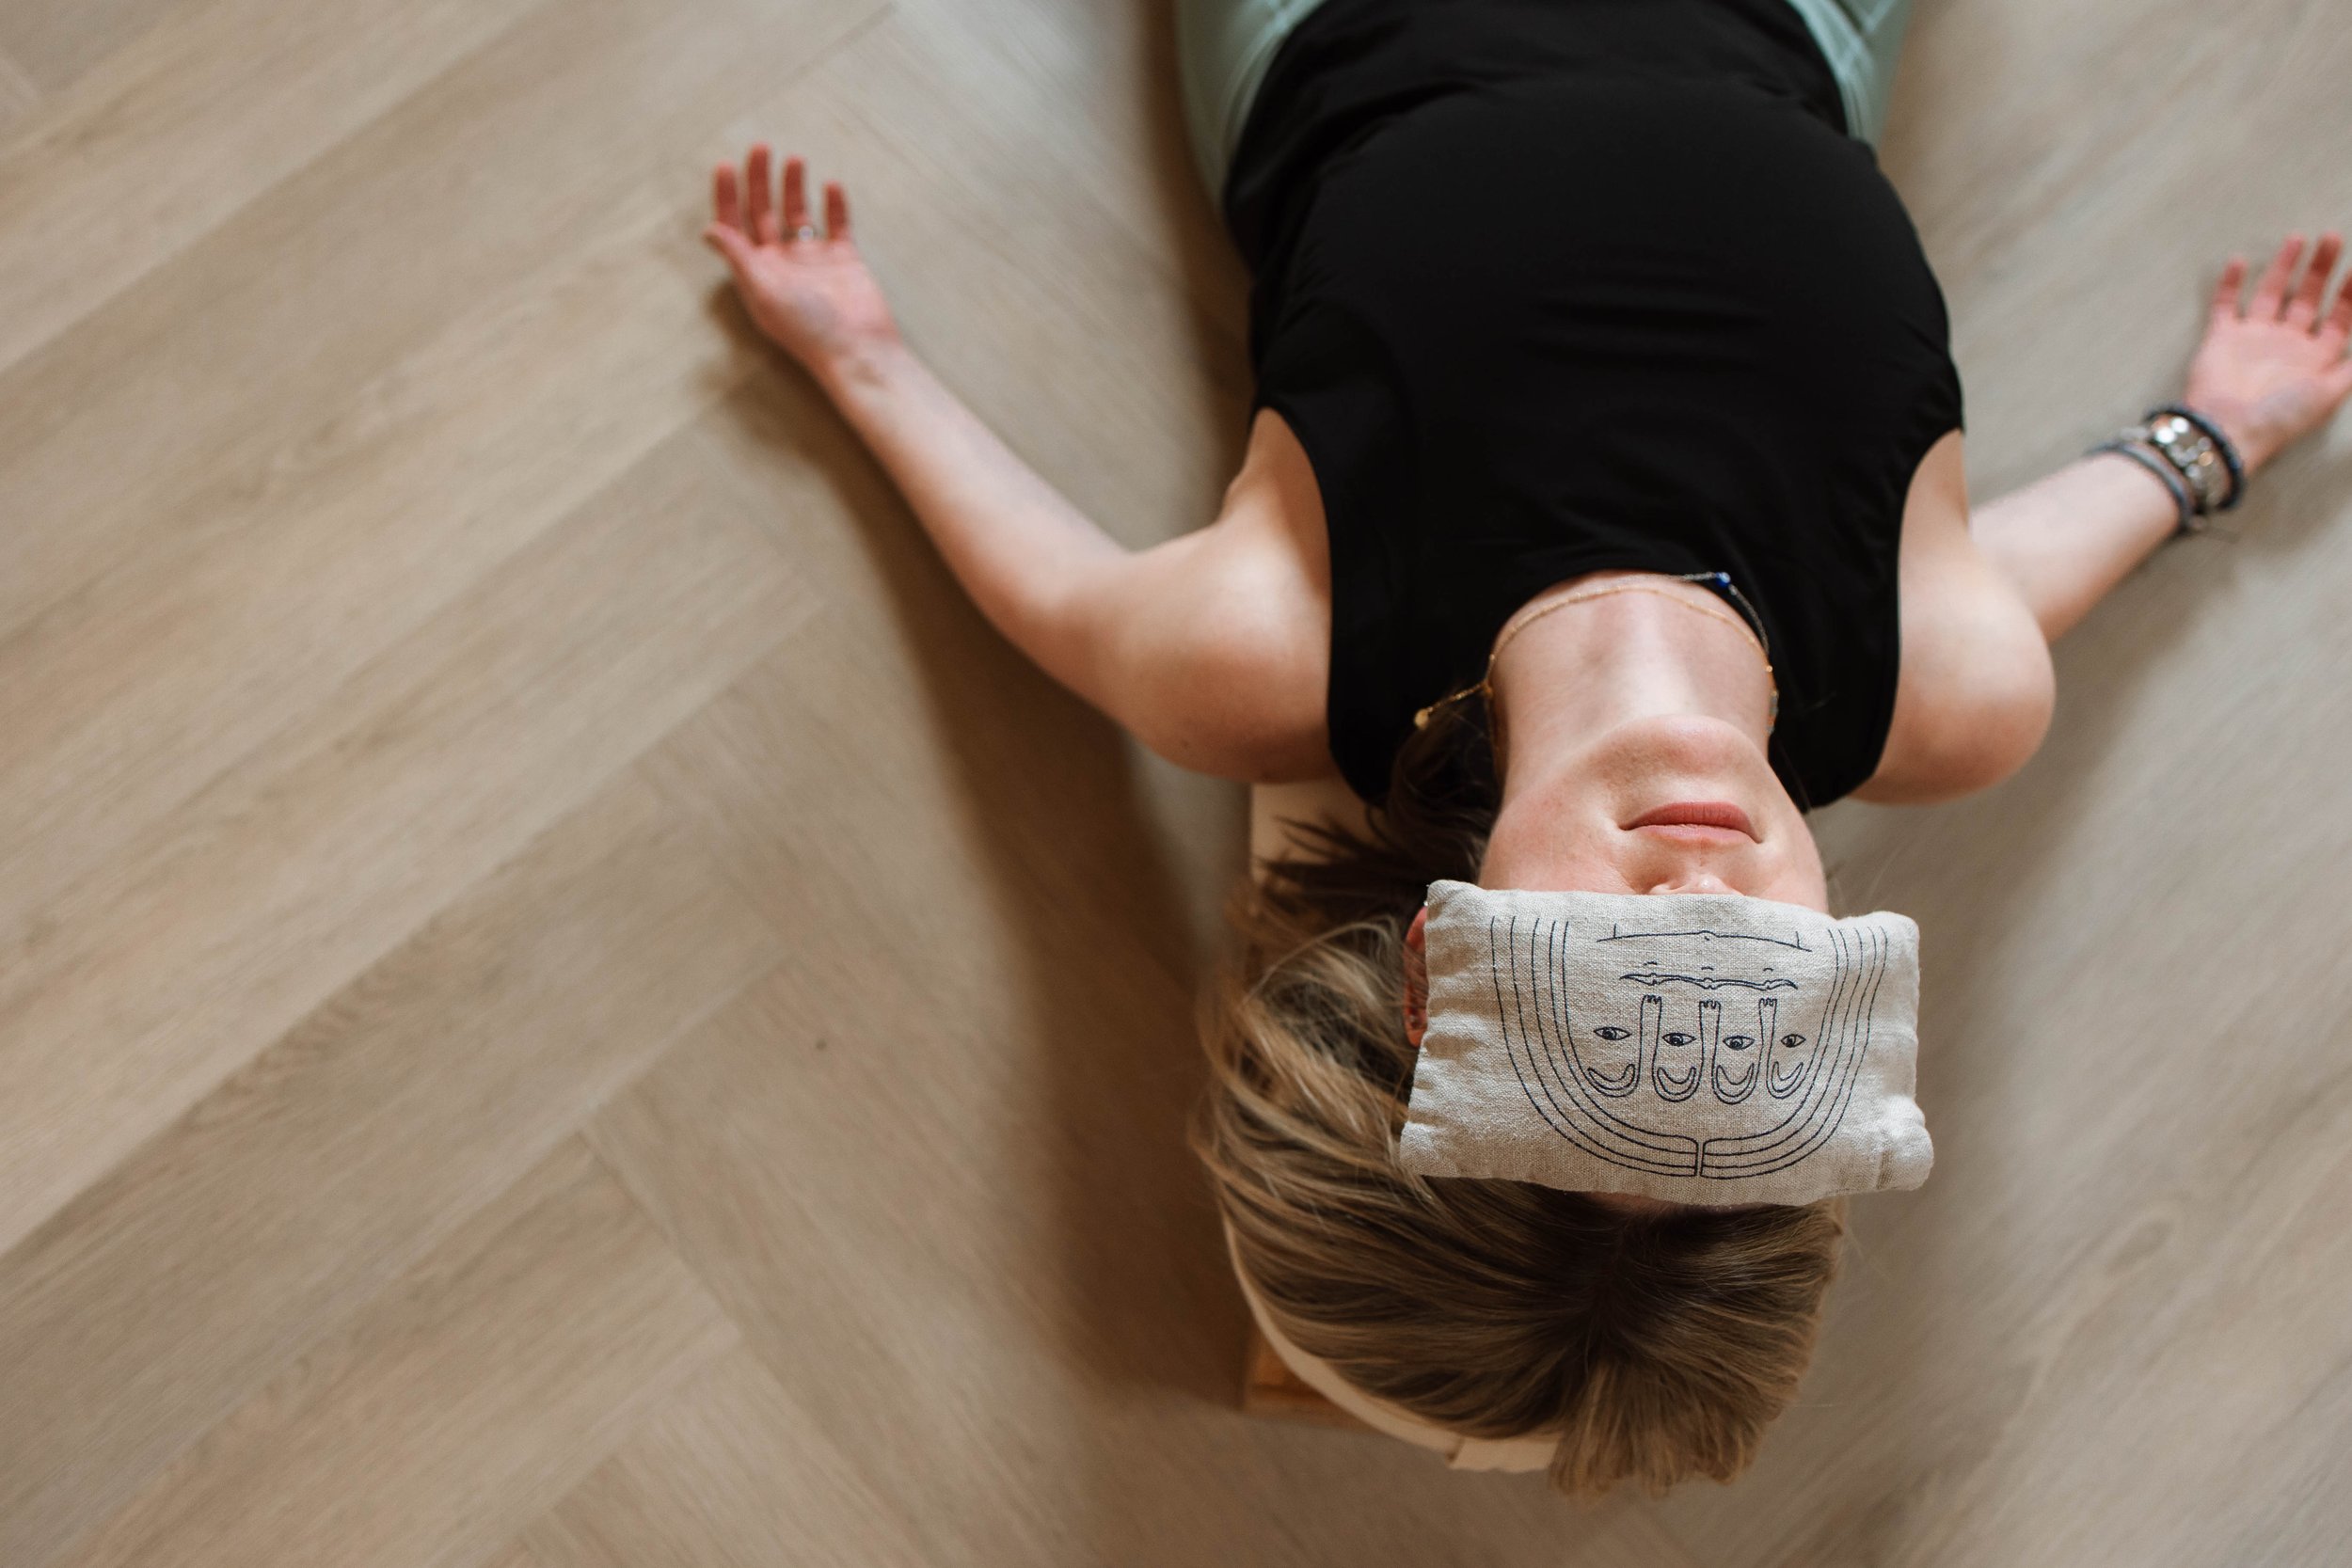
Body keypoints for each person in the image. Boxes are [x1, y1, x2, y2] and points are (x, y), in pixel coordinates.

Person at [700, 0, 2352, 1496]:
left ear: (1441, 970)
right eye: (1747, 1010)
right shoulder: (1946, 688)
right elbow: (2064, 541)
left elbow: (1049, 589)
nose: (1698, 890)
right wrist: (2216, 435)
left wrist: (856, 349)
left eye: (1620, 982)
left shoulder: (1262, 656)